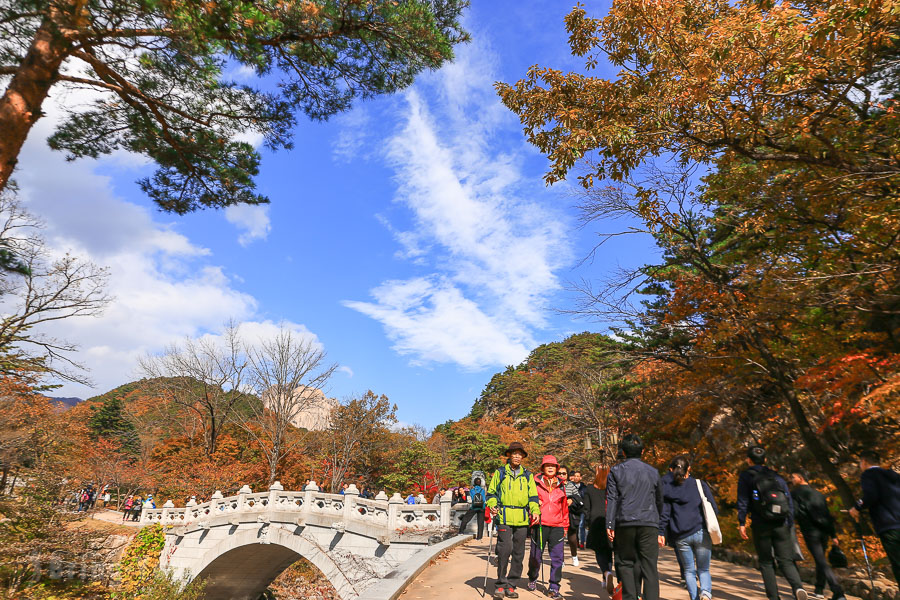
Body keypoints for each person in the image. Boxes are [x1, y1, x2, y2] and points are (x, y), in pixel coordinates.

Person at [738, 446, 808, 600]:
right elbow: (788, 499)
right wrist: (789, 522)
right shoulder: (776, 476)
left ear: (748, 460)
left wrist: (742, 522)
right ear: (765, 460)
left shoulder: (746, 476)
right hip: (781, 522)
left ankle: (774, 597)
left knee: (766, 562)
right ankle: (798, 588)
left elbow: (743, 500)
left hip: (760, 523)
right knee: (786, 561)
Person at [606, 433, 663, 600]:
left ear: (623, 452)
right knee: (650, 566)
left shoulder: (616, 471)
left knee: (625, 563)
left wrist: (610, 524)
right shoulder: (653, 472)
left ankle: (630, 597)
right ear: (643, 451)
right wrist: (657, 523)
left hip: (625, 521)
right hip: (649, 522)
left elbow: (612, 499)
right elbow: (660, 499)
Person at [486, 441, 541, 599]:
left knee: (518, 553)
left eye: (520, 454)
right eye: (514, 453)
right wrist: (493, 505)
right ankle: (501, 584)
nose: (517, 456)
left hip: (522, 519)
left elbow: (533, 497)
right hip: (504, 516)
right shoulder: (500, 472)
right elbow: (491, 494)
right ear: (509, 455)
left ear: (522, 456)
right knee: (504, 550)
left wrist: (535, 511)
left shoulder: (528, 475)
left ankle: (512, 584)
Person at [659, 456, 718, 600]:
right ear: (689, 469)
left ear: (671, 469)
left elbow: (665, 514)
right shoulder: (699, 485)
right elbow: (713, 508)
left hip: (681, 536)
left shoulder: (668, 489)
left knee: (689, 571)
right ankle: (706, 593)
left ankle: (695, 598)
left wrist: (661, 532)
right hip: (701, 532)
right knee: (704, 569)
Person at [789, 469, 846, 600]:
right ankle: (819, 589)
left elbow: (795, 513)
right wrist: (834, 535)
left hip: (810, 531)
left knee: (821, 561)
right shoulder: (819, 494)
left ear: (801, 477)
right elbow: (827, 515)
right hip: (824, 531)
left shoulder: (795, 494)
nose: (791, 480)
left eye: (793, 477)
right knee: (820, 559)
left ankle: (838, 592)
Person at [849, 449, 900, 585]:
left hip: (888, 524)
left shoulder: (869, 474)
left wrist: (857, 507)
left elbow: (870, 495)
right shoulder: (893, 475)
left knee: (898, 563)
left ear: (864, 462)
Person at [527, 456, 568, 598]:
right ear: (543, 468)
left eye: (553, 465)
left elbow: (564, 509)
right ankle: (532, 577)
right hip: (540, 524)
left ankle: (554, 586)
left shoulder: (562, 485)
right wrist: (533, 505)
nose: (550, 468)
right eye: (547, 465)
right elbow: (528, 502)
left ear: (556, 468)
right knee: (535, 556)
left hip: (557, 526)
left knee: (557, 558)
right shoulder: (535, 483)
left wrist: (565, 526)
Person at [584, 465, 615, 594]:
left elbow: (586, 508)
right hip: (610, 520)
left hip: (595, 521)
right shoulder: (612, 488)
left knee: (599, 551)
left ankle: (606, 572)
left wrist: (587, 521)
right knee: (608, 550)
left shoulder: (590, 489)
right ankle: (607, 574)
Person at [559, 466, 584, 566]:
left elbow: (578, 498)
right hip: (558, 514)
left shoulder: (571, 485)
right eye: (559, 473)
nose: (561, 475)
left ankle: (574, 556)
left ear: (567, 475)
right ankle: (561, 559)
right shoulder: (555, 485)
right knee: (559, 537)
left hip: (570, 514)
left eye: (564, 473)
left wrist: (572, 500)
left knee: (572, 537)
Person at [572, 470, 588, 548]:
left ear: (581, 477)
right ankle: (576, 541)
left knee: (581, 525)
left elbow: (586, 498)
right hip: (574, 509)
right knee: (575, 526)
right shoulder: (570, 486)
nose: (576, 478)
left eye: (578, 476)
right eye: (575, 476)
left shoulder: (584, 488)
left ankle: (582, 542)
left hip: (582, 509)